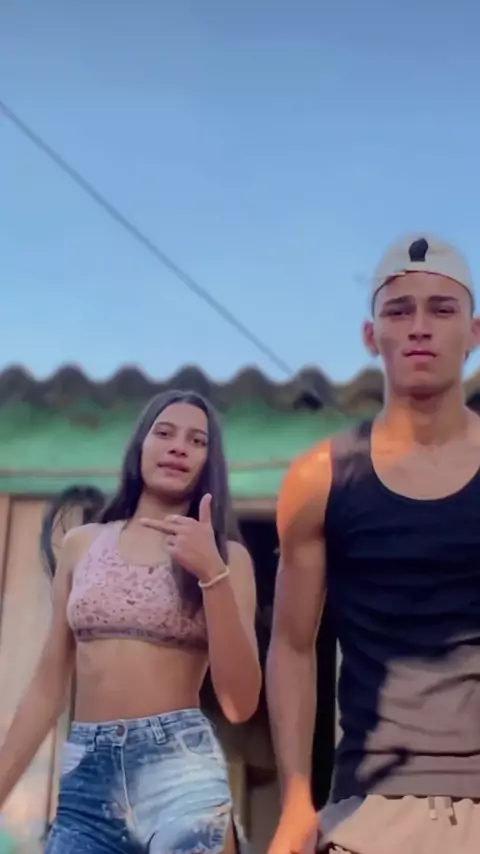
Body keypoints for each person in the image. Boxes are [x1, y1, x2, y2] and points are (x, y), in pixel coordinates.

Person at [266, 234, 480, 854]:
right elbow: (292, 644)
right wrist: (295, 801)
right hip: (370, 813)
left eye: (442, 309)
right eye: (398, 310)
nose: (420, 327)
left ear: (474, 332)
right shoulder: (320, 478)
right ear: (370, 336)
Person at [0, 389, 261, 853]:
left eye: (197, 441)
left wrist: (211, 574)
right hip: (88, 778)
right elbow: (46, 689)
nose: (178, 447)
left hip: (180, 772)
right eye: (164, 433)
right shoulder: (82, 544)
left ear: (210, 462)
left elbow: (239, 703)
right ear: (140, 445)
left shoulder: (228, 558)